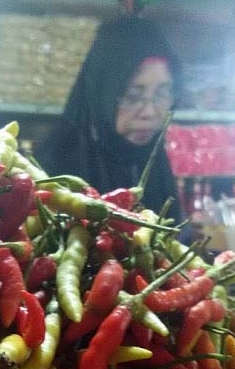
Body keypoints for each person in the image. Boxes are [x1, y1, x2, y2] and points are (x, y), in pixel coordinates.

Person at [35, 15, 182, 221]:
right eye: (133, 96)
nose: (149, 112)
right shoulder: (54, 166)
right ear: (101, 94)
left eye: (162, 94)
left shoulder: (154, 161)